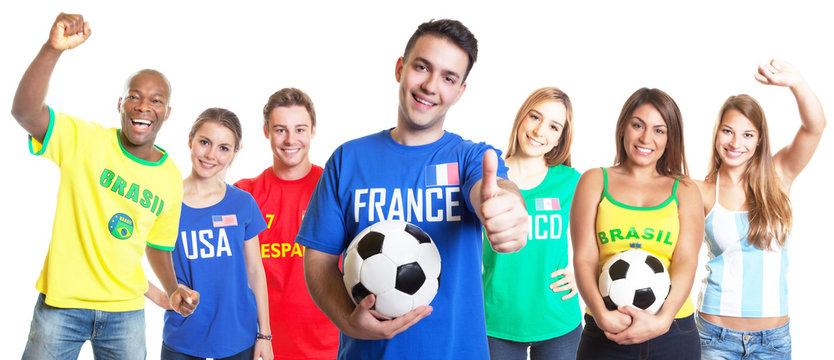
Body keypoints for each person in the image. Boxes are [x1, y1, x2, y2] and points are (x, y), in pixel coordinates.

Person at [295, 19, 529, 359]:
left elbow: (492, 190)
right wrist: (348, 321)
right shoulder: (348, 159)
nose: (431, 86)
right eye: (422, 67)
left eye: (448, 78)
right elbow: (319, 258)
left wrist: (507, 205)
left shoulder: (469, 158)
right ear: (400, 69)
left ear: (460, 91)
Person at [12, 13, 198, 360]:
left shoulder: (170, 176)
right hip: (61, 306)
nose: (144, 106)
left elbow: (158, 246)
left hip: (125, 312)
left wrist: (173, 290)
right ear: (120, 104)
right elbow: (25, 112)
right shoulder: (84, 140)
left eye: (156, 100)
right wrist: (53, 49)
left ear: (168, 112)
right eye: (134, 96)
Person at [694, 60, 826, 359]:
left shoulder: (778, 175)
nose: (735, 143)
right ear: (716, 134)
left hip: (773, 341)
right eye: (727, 131)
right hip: (715, 337)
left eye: (747, 134)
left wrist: (797, 83)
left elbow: (814, 127)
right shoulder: (701, 191)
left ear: (759, 140)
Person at [571, 88, 703, 359]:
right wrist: (601, 314)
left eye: (659, 130)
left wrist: (663, 319)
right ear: (623, 127)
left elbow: (686, 260)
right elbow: (584, 257)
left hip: (673, 329)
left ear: (670, 138)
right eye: (638, 125)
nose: (646, 138)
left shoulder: (685, 190)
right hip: (607, 327)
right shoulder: (594, 181)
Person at [145, 108, 273, 359]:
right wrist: (161, 296)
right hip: (182, 336)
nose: (211, 154)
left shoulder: (243, 203)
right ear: (190, 140)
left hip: (238, 336)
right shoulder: (164, 201)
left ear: (235, 152)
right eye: (204, 142)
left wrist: (264, 335)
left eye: (224, 148)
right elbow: (122, 257)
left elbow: (255, 271)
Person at [234, 88, 339, 359]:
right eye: (280, 130)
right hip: (262, 347)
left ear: (313, 130)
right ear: (266, 131)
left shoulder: (334, 190)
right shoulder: (245, 194)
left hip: (329, 347)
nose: (291, 139)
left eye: (300, 129)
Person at [482, 87, 582, 359]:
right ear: (522, 117)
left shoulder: (571, 182)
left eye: (553, 126)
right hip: (497, 320)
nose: (539, 131)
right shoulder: (486, 179)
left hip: (558, 320)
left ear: (560, 138)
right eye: (535, 117)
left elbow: (602, 236)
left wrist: (585, 277)